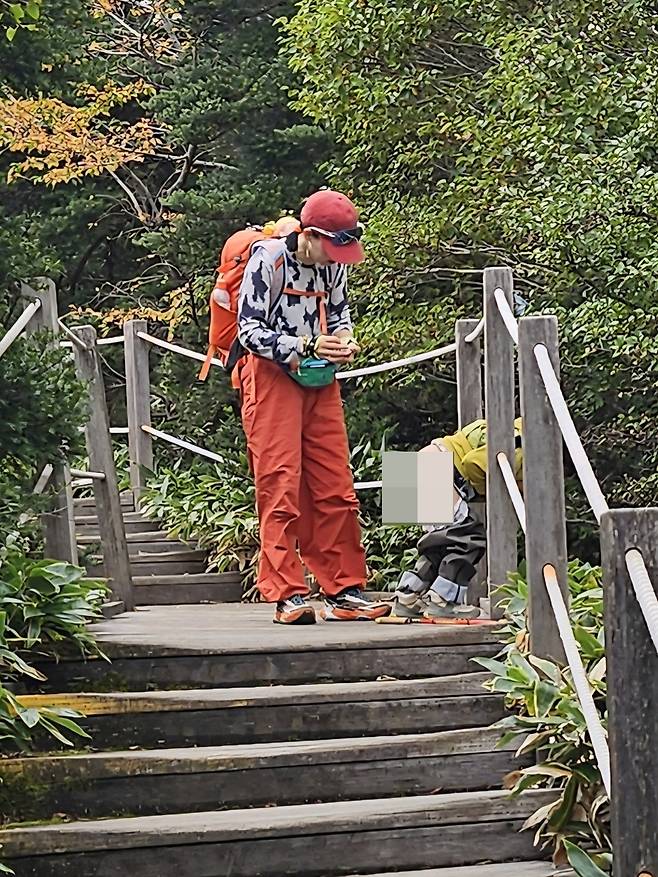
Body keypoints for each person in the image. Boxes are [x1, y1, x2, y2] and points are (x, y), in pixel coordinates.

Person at [232, 189, 390, 625]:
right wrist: (302, 344)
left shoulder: (333, 266)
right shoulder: (269, 260)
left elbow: (338, 314)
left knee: (335, 483)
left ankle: (345, 589)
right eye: (334, 245)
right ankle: (286, 592)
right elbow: (249, 331)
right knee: (280, 481)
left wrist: (343, 341)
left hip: (319, 377)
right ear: (312, 234)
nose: (339, 256)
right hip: (270, 376)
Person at [394, 418, 523, 620]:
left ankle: (408, 596)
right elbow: (474, 463)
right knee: (468, 539)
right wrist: (488, 491)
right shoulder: (518, 442)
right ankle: (443, 601)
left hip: (414, 466)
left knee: (440, 545)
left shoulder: (500, 425)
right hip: (436, 470)